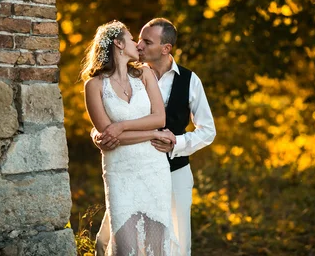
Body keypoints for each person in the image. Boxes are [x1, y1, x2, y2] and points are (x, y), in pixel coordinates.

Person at [93, 18, 216, 256]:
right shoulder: (131, 74)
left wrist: (176, 143)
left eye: (147, 42)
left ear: (165, 48)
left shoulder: (190, 81)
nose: (139, 45)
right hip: (132, 169)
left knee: (177, 244)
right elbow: (110, 112)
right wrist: (97, 132)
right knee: (106, 240)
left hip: (174, 172)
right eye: (137, 39)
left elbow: (208, 130)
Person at [82, 20, 180, 256]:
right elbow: (108, 135)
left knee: (157, 245)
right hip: (120, 171)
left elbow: (159, 117)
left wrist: (123, 126)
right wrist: (153, 135)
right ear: (118, 43)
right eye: (131, 38)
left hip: (153, 167)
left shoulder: (144, 74)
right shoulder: (93, 85)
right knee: (125, 246)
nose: (137, 43)